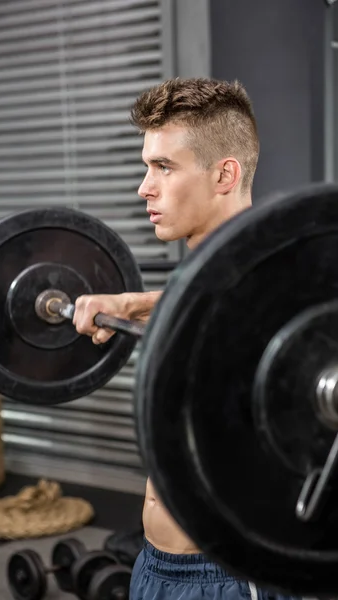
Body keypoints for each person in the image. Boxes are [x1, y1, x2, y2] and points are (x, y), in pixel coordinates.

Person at [73, 78, 297, 600]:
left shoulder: (282, 283)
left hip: (229, 579)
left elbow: (250, 303)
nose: (144, 188)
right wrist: (136, 303)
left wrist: (131, 302)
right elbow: (208, 301)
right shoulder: (204, 289)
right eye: (147, 165)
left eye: (164, 167)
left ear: (225, 174)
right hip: (153, 566)